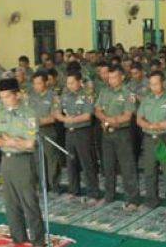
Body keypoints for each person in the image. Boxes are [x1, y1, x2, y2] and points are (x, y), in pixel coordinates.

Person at [0, 77, 45, 247]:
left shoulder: (29, 114)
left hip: (23, 161)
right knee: (10, 201)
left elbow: (30, 144)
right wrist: (13, 141)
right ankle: (18, 236)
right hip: (6, 161)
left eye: (7, 96)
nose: (4, 100)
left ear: (17, 95)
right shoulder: (2, 112)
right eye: (2, 97)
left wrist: (11, 141)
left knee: (29, 201)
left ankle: (38, 240)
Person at [95, 64, 140, 209]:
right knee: (107, 166)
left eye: (114, 77)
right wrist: (105, 120)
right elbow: (97, 110)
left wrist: (110, 121)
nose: (111, 80)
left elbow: (127, 116)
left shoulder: (128, 93)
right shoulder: (104, 91)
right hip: (107, 132)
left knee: (127, 167)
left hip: (122, 133)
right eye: (109, 77)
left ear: (122, 77)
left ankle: (132, 199)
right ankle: (109, 195)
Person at [136, 70, 166, 213]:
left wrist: (156, 125)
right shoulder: (146, 99)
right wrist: (148, 126)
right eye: (151, 84)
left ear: (163, 83)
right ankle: (151, 201)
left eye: (156, 84)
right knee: (149, 172)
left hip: (164, 139)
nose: (153, 87)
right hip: (149, 139)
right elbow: (139, 119)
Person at [55, 71, 100, 200]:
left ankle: (93, 192)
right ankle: (73, 190)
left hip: (83, 132)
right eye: (67, 83)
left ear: (79, 82)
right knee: (71, 162)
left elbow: (87, 115)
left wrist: (70, 120)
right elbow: (57, 112)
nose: (69, 85)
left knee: (87, 163)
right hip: (69, 132)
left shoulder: (87, 95)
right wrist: (65, 119)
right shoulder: (64, 96)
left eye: (72, 82)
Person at [28, 72, 61, 193]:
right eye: (34, 83)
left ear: (46, 83)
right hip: (34, 132)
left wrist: (37, 121)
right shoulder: (31, 96)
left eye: (39, 83)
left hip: (48, 131)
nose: (36, 86)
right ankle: (42, 184)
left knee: (51, 159)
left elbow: (54, 117)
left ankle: (54, 185)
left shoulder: (53, 96)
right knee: (38, 159)